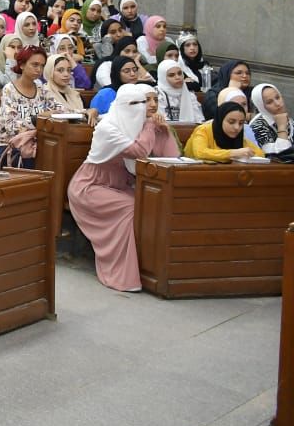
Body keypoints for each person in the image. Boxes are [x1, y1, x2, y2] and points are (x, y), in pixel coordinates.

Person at [68, 84, 180, 291]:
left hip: (120, 185)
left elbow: (171, 157)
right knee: (130, 207)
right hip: (90, 187)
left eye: (142, 103)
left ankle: (151, 268)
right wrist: (149, 126)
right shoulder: (108, 126)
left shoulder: (136, 124)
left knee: (152, 205)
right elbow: (138, 151)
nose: (140, 108)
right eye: (135, 104)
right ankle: (120, 272)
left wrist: (163, 131)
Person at [0, 46, 63, 168]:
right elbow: (11, 127)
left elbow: (60, 109)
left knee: (56, 156)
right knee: (40, 160)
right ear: (21, 65)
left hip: (32, 144)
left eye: (42, 66)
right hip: (5, 146)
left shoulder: (41, 87)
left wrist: (86, 112)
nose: (39, 69)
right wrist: (38, 118)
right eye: (35, 65)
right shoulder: (9, 90)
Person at [184, 101, 264, 162]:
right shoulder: (203, 130)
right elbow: (200, 153)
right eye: (231, 122)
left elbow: (260, 154)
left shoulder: (239, 138)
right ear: (220, 120)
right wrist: (233, 153)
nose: (237, 127)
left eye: (241, 123)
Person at [155, 59, 202, 124]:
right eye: (171, 75)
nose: (178, 77)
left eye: (180, 73)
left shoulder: (190, 95)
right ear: (163, 78)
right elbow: (162, 122)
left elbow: (199, 120)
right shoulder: (157, 95)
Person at [249, 83, 291, 154]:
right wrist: (281, 127)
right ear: (261, 106)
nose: (277, 103)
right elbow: (282, 153)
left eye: (277, 97)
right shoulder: (257, 125)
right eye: (269, 102)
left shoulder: (289, 120)